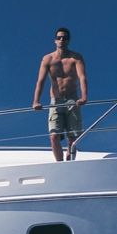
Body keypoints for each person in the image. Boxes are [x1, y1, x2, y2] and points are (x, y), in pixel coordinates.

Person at [32, 27, 88, 161]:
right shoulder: (48, 59)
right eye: (59, 37)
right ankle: (59, 164)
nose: (61, 40)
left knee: (73, 137)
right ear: (55, 40)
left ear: (68, 40)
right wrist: (36, 101)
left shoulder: (76, 58)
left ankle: (69, 161)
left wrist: (84, 96)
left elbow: (82, 77)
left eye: (64, 38)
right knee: (54, 136)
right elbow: (41, 80)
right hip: (55, 100)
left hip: (72, 99)